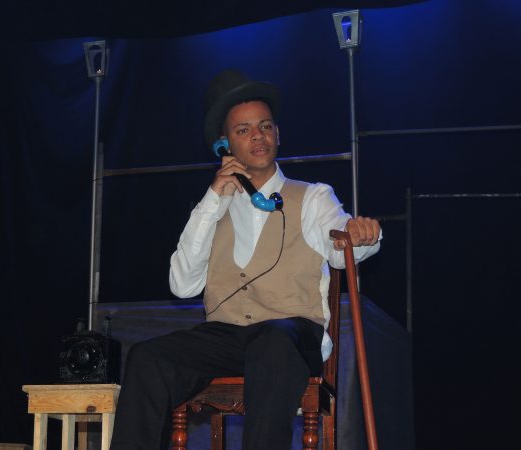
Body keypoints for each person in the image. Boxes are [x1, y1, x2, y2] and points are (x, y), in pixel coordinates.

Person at [110, 69, 381, 450]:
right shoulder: (213, 208)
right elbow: (182, 285)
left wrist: (361, 236)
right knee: (147, 357)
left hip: (291, 335)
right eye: (243, 130)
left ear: (278, 134)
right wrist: (212, 200)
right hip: (227, 336)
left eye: (265, 126)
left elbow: (341, 246)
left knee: (271, 344)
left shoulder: (313, 196)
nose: (258, 136)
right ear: (224, 146)